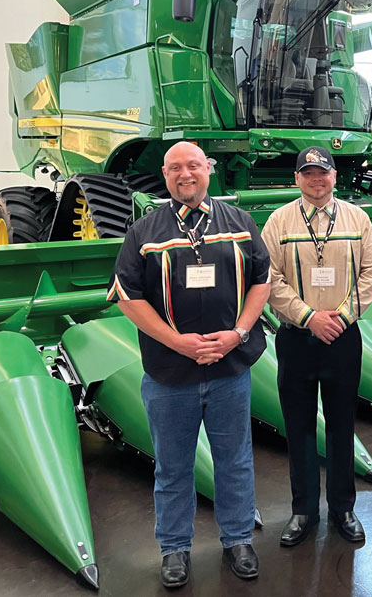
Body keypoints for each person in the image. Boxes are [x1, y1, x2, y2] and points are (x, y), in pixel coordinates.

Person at [106, 141, 270, 587]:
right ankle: (174, 549)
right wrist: (176, 342)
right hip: (169, 374)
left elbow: (262, 281)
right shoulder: (144, 232)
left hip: (229, 370)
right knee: (173, 466)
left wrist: (238, 332)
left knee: (234, 459)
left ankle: (238, 539)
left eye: (193, 165)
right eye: (175, 168)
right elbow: (127, 296)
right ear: (165, 175)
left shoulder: (239, 223)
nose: (185, 175)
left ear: (208, 170)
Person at [260, 146, 372, 547]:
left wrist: (342, 317)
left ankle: (344, 508)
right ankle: (304, 511)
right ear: (297, 179)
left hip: (343, 338)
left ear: (333, 176)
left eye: (323, 172)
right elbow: (269, 279)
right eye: (308, 173)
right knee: (298, 428)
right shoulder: (278, 223)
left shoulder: (358, 219)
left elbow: (371, 274)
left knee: (343, 424)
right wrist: (308, 317)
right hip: (297, 338)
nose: (317, 179)